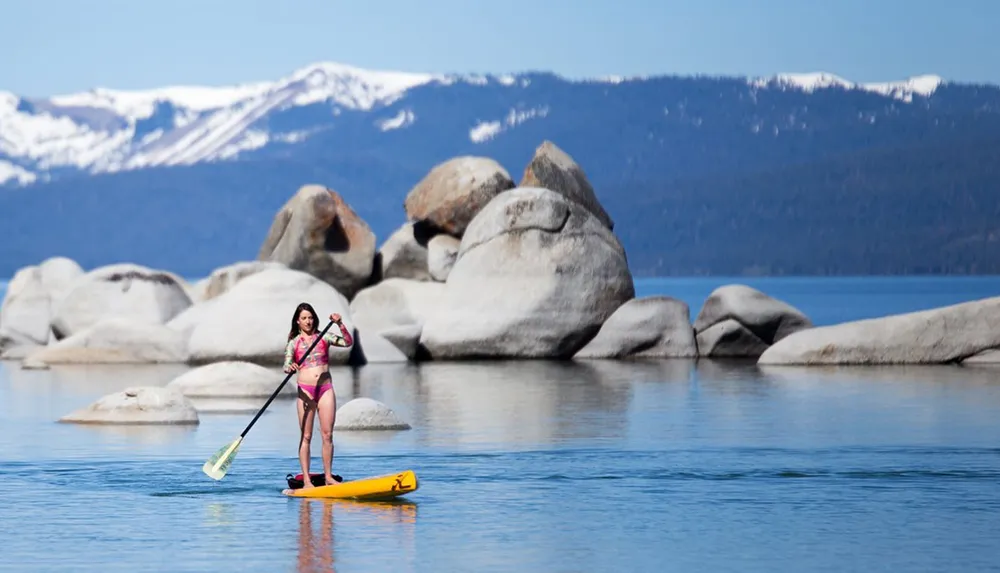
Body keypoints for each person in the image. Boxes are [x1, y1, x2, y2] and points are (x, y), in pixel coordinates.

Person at [283, 302, 354, 488]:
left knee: (327, 435)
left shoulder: (324, 337)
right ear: (298, 321)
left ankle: (329, 477)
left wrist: (340, 324)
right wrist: (290, 367)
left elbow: (347, 342)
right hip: (305, 392)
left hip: (325, 390)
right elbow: (286, 364)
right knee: (306, 436)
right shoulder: (294, 343)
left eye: (311, 317)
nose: (308, 321)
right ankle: (307, 481)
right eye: (304, 318)